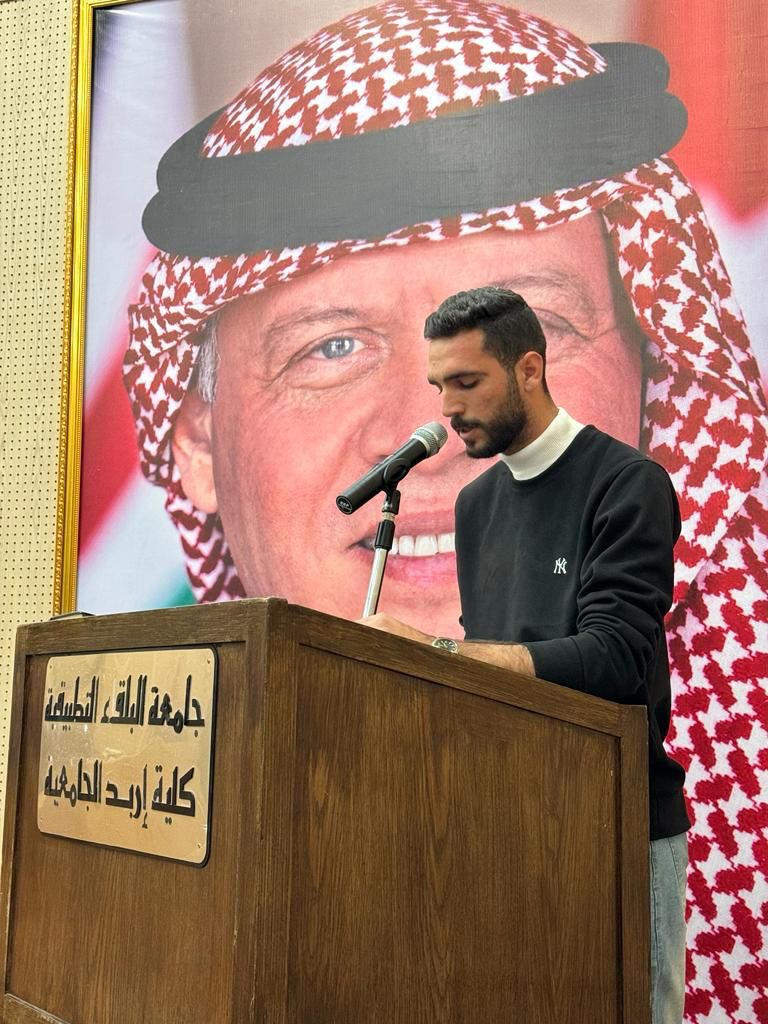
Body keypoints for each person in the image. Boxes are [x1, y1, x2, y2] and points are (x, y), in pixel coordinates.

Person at [123, 2, 768, 1017]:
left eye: (527, 336)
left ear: (654, 382)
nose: (439, 426)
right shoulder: (134, 829)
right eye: (332, 346)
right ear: (198, 445)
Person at [362, 284, 690, 1023]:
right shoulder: (475, 505)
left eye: (466, 382)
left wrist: (437, 653)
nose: (448, 408)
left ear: (530, 370)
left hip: (617, 823)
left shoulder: (626, 484)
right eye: (439, 386)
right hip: (508, 819)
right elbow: (492, 675)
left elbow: (614, 659)